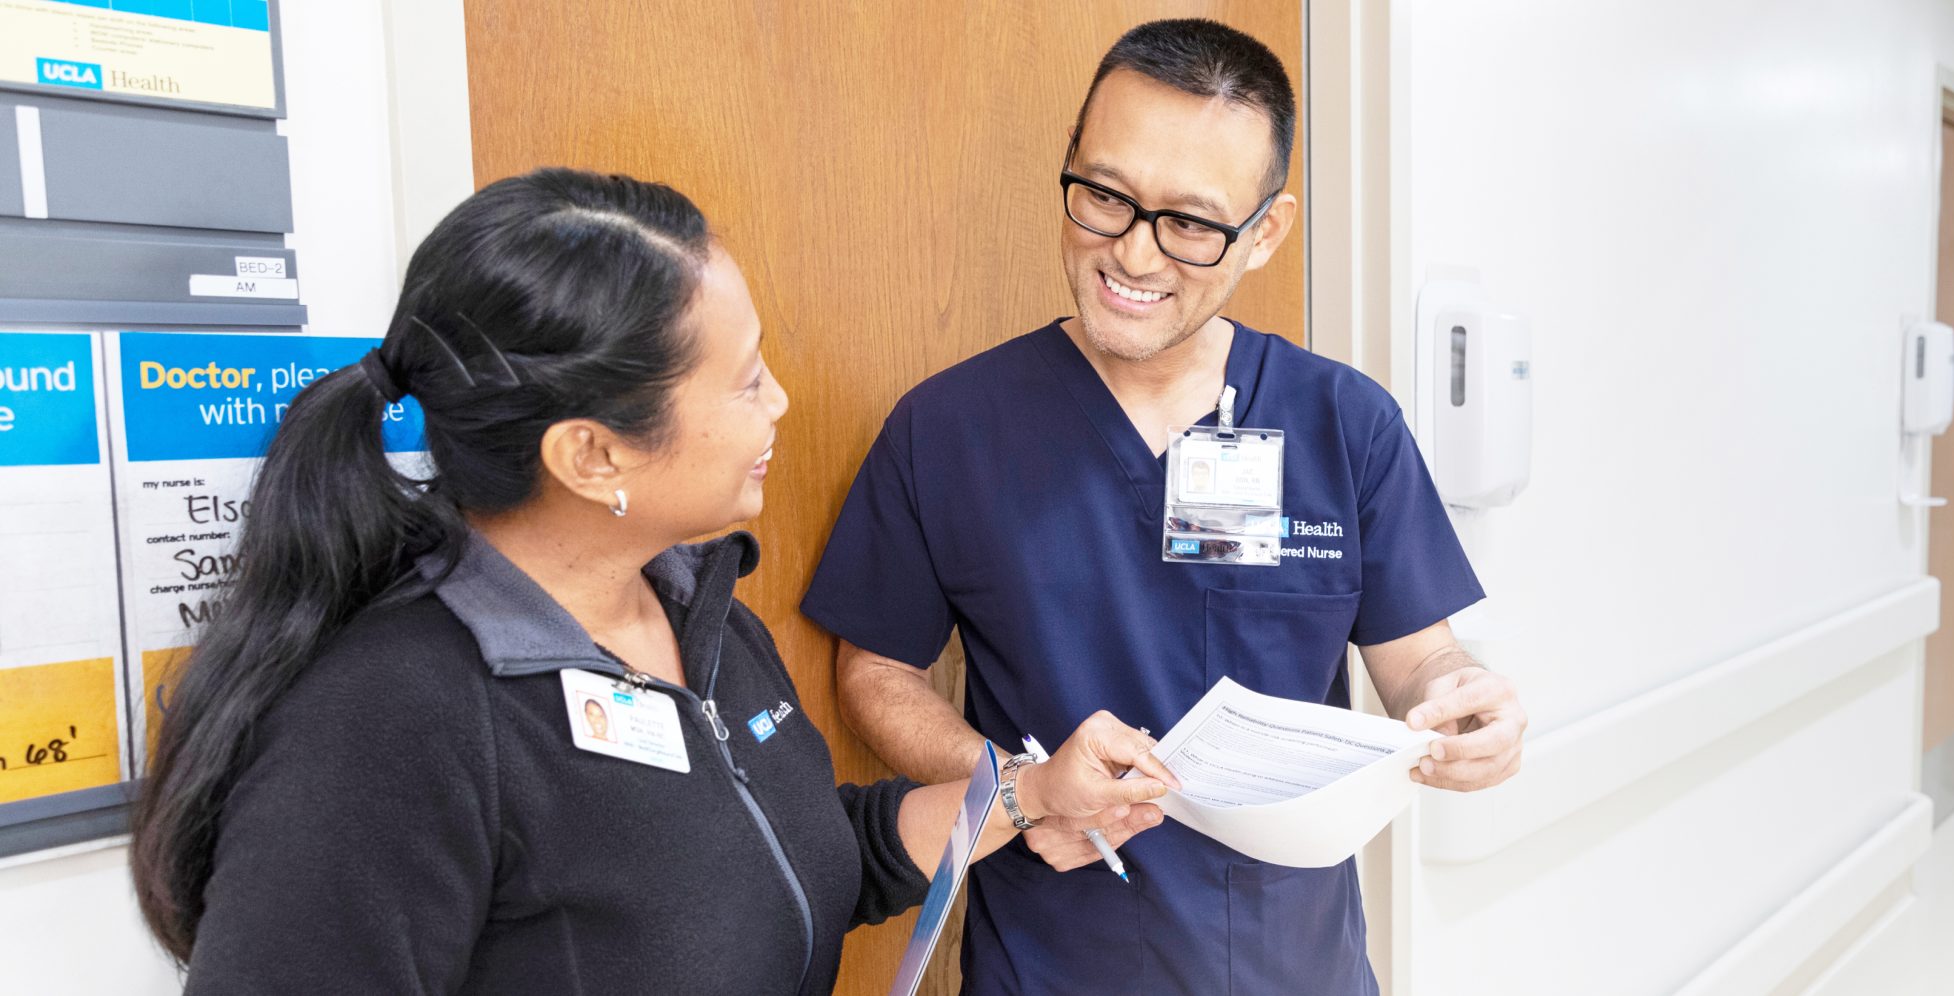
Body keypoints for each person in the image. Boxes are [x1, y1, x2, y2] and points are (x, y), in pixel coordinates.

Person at [126, 168, 1178, 995]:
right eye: (745, 379)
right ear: (593, 456)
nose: (779, 404)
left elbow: (813, 860)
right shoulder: (391, 722)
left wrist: (1030, 794)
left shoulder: (700, 613)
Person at [802, 19, 1526, 994]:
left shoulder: (1343, 424)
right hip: (1052, 964)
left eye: (1189, 222)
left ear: (1265, 230)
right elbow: (877, 671)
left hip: (1294, 965)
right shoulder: (950, 428)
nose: (1134, 257)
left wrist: (1462, 704)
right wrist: (1020, 791)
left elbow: (1421, 659)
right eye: (1104, 196)